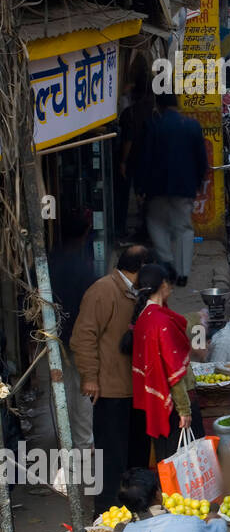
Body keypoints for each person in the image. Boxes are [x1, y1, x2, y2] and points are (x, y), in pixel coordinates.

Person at [72, 244, 153, 513]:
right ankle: (106, 510)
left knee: (136, 453)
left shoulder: (136, 293)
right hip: (110, 390)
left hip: (135, 388)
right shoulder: (103, 290)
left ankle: (135, 505)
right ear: (140, 268)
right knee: (111, 457)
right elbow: (83, 337)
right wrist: (90, 377)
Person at [122, 262, 199, 461]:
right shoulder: (161, 322)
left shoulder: (144, 317)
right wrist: (184, 410)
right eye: (170, 284)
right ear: (164, 284)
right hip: (174, 404)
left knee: (167, 457)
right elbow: (173, 373)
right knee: (182, 460)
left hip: (157, 401)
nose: (171, 289)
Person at [135, 90, 207, 287]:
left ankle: (167, 262)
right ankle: (183, 273)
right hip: (184, 187)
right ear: (178, 104)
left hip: (156, 187)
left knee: (157, 224)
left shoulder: (153, 125)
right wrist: (199, 182)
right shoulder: (192, 126)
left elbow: (145, 158)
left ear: (158, 106)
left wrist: (140, 186)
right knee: (183, 228)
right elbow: (202, 159)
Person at [49, 213, 98, 449]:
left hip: (52, 337)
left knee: (59, 389)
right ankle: (83, 443)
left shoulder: (47, 262)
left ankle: (64, 441)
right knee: (81, 392)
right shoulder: (83, 269)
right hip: (77, 338)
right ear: (84, 235)